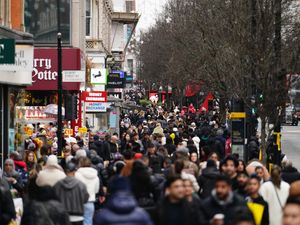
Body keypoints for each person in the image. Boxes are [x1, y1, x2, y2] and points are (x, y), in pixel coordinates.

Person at [75, 157, 100, 225]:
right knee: (88, 221)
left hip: (78, 202)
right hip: (90, 201)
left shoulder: (77, 174)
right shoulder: (95, 175)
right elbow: (96, 190)